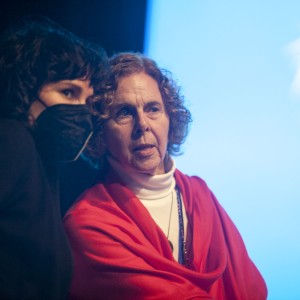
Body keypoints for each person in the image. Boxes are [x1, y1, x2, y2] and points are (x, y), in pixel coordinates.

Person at [63, 52, 268, 299]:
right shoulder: (88, 222)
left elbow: (251, 288)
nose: (143, 125)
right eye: (125, 113)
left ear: (170, 118)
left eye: (153, 109)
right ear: (100, 131)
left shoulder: (199, 195)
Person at [0, 15, 107, 299]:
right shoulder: (12, 139)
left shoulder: (44, 164)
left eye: (88, 102)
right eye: (68, 92)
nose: (81, 111)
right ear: (25, 86)